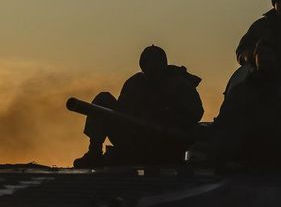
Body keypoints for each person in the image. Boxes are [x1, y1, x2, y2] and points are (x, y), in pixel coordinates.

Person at [74, 45, 204, 167]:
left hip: (164, 143)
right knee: (103, 99)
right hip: (135, 139)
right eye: (149, 64)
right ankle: (94, 153)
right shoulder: (135, 83)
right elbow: (121, 112)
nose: (152, 68)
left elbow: (197, 113)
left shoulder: (178, 85)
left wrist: (168, 115)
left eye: (155, 64)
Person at [211, 38, 281, 166]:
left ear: (277, 57)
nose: (265, 58)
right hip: (245, 162)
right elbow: (225, 123)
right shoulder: (241, 91)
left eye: (269, 54)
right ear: (255, 58)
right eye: (261, 54)